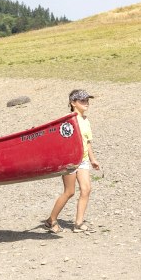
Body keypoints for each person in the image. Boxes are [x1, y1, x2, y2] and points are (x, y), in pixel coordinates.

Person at [44, 89, 101, 234]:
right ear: (73, 103)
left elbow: (87, 142)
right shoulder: (68, 120)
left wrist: (93, 159)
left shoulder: (85, 120)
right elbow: (61, 142)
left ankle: (78, 223)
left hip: (83, 160)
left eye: (87, 100)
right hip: (70, 161)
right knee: (69, 192)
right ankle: (51, 220)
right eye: (82, 101)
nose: (86, 103)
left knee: (86, 189)